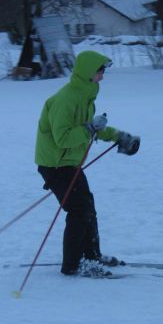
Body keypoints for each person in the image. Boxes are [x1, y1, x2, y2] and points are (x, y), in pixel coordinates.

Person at [35, 50, 140, 277]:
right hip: (55, 164)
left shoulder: (84, 97)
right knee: (79, 210)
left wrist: (119, 136)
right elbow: (62, 138)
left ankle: (92, 255)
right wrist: (89, 129)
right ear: (88, 72)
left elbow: (91, 129)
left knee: (87, 206)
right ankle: (73, 265)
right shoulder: (66, 99)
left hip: (68, 164)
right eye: (100, 71)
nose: (102, 76)